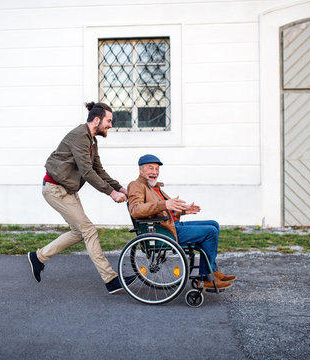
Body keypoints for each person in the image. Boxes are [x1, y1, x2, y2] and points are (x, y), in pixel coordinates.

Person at [28, 101, 129, 294]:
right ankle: (111, 280)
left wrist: (120, 188)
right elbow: (88, 172)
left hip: (67, 190)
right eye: (109, 121)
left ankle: (38, 257)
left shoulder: (92, 140)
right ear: (97, 119)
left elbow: (99, 170)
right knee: (89, 230)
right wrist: (111, 193)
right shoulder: (79, 137)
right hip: (55, 189)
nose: (111, 125)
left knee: (79, 232)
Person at [127, 154, 236, 290]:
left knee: (214, 224)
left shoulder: (154, 187)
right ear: (140, 169)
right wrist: (164, 204)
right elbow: (136, 210)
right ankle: (207, 276)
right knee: (210, 232)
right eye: (151, 168)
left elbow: (165, 210)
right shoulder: (136, 185)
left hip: (172, 224)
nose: (155, 172)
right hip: (163, 231)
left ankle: (212, 270)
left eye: (157, 169)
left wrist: (184, 211)